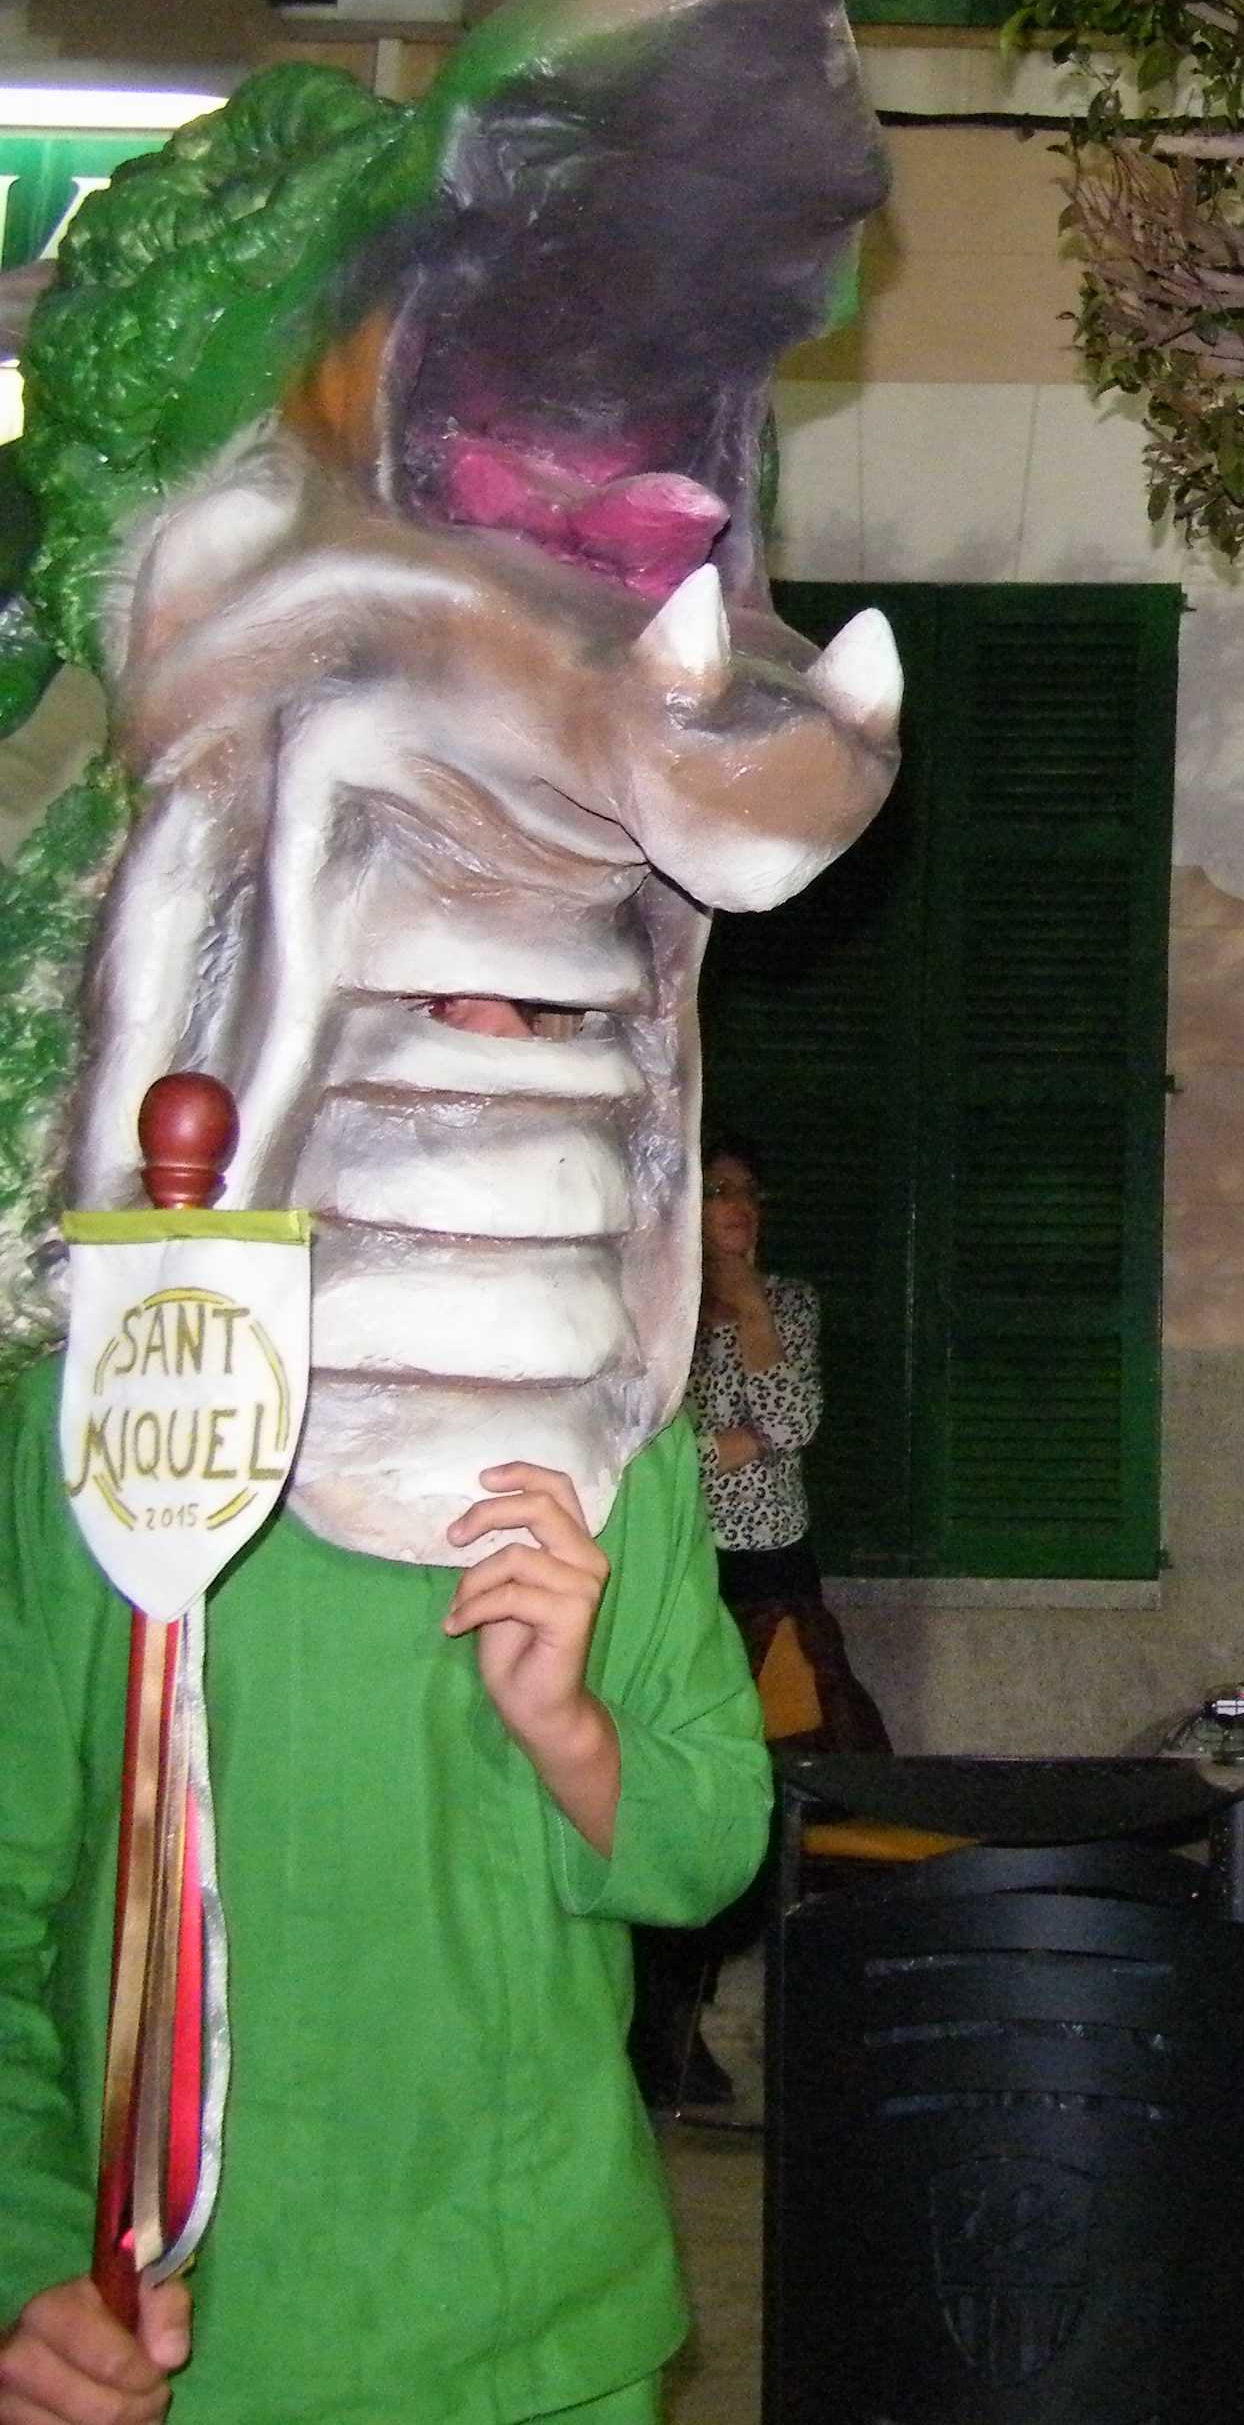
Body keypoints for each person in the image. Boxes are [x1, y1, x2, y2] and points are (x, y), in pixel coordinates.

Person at [0, 1034, 770, 2425]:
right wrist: (28, 2254)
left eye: (534, 1006)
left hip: (541, 2315)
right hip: (186, 2330)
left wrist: (571, 1730)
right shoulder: (98, 1422)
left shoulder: (618, 1433)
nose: (489, 1040)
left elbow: (712, 1843)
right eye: (430, 987)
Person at [631, 1134, 882, 2110]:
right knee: (692, 1786)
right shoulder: (656, 1306)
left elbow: (794, 1419)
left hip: (780, 1579)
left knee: (810, 1790)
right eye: (718, 1190)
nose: (740, 1206)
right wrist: (726, 1443)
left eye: (749, 1191)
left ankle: (822, 2024)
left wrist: (748, 1307)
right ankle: (667, 2027)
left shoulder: (789, 1303)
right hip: (686, 1577)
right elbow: (658, 1449)